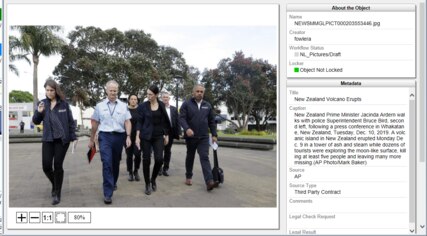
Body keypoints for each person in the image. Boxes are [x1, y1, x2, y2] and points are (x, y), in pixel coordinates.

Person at [32, 79, 77, 205]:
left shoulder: (64, 104)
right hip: (48, 139)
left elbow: (70, 122)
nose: (49, 92)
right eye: (47, 90)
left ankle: (57, 193)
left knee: (57, 165)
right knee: (46, 166)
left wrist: (74, 137)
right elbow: (35, 121)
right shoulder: (42, 103)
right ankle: (55, 184)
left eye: (52, 90)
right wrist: (38, 112)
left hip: (62, 140)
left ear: (56, 90)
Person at [88, 80, 132, 204]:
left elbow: (128, 122)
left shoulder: (123, 106)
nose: (113, 92)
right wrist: (92, 139)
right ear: (106, 91)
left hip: (119, 136)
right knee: (106, 163)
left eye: (115, 90)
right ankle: (108, 193)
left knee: (115, 163)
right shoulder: (99, 106)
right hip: (105, 137)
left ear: (117, 91)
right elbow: (95, 123)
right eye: (111, 90)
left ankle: (113, 181)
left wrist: (128, 136)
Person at [179, 84, 218, 191]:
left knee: (204, 157)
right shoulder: (186, 104)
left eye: (201, 91)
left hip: (204, 137)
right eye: (197, 91)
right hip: (191, 137)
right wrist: (187, 129)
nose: (199, 93)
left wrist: (214, 134)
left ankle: (209, 181)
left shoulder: (208, 105)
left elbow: (212, 121)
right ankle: (188, 176)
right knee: (190, 156)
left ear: (203, 93)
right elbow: (182, 118)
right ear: (193, 92)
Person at [135, 85, 171, 195]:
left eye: (151, 94)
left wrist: (167, 134)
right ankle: (147, 184)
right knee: (146, 160)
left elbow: (165, 121)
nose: (148, 96)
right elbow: (139, 122)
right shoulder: (142, 106)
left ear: (156, 95)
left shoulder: (161, 105)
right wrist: (137, 136)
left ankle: (153, 179)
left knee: (159, 159)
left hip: (158, 136)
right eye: (147, 94)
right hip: (146, 136)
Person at [159, 92, 181, 176]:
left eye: (167, 97)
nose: (165, 98)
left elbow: (177, 121)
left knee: (168, 151)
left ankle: (165, 168)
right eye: (164, 97)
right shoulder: (158, 108)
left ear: (169, 99)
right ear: (161, 98)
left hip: (170, 132)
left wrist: (179, 132)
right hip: (160, 132)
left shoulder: (174, 109)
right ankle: (159, 168)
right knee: (159, 151)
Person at [126, 94, 142, 181]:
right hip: (127, 136)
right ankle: (130, 172)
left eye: (135, 99)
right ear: (129, 100)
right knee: (129, 155)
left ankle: (136, 170)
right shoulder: (125, 110)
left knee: (138, 154)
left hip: (138, 136)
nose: (133, 100)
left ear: (137, 100)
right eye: (131, 99)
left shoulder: (140, 110)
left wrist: (139, 135)